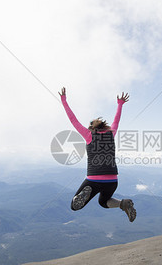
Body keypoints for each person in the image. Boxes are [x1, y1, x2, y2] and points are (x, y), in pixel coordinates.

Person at [58, 87, 136, 222]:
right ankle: (122, 204)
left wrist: (64, 100)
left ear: (92, 128)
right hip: (112, 180)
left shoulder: (89, 135)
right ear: (104, 126)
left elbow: (73, 120)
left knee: (74, 206)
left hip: (93, 179)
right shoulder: (111, 134)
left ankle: (88, 192)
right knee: (104, 202)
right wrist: (120, 104)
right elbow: (116, 121)